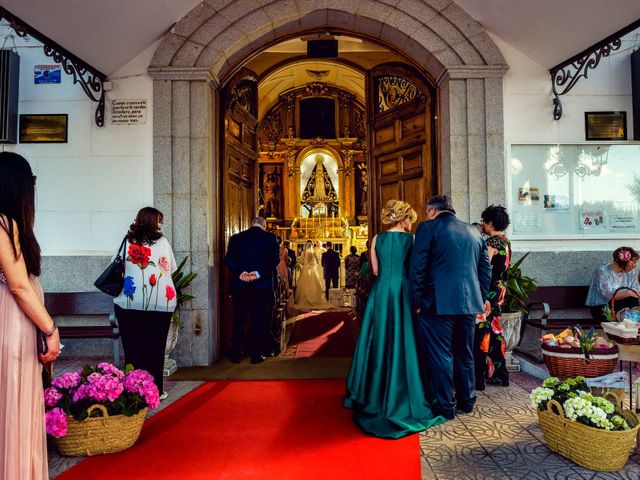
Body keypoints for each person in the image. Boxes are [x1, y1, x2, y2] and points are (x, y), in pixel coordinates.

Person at [344, 199, 444, 438]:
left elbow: (375, 271)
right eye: (410, 218)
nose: (412, 223)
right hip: (402, 291)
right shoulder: (411, 240)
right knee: (403, 338)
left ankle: (372, 391)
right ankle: (402, 391)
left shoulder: (377, 239)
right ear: (402, 219)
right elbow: (417, 268)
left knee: (377, 339)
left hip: (381, 292)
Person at [0, 152, 60, 479]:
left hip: (12, 319)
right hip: (10, 322)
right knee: (15, 403)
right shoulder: (3, 223)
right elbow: (19, 285)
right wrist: (51, 329)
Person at [410, 195, 491, 420]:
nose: (427, 215)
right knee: (465, 353)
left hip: (436, 304)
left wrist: (416, 302)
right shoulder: (474, 232)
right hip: (468, 304)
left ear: (432, 211)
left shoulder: (428, 228)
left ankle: (446, 405)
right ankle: (467, 400)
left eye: (427, 212)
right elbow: (485, 270)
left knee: (441, 355)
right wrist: (479, 297)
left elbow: (418, 267)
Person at [113, 207, 177, 396]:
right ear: (153, 222)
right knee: (155, 349)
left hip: (130, 303)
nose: (160, 224)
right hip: (160, 303)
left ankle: (133, 390)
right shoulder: (163, 242)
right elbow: (170, 268)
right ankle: (155, 391)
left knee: (132, 349)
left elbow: (115, 262)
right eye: (159, 221)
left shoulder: (128, 241)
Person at [224, 217, 280, 364]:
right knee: (259, 321)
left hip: (241, 286)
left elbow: (228, 259)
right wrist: (257, 273)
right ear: (264, 225)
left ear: (251, 224)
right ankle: (256, 355)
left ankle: (236, 354)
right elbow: (275, 260)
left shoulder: (236, 238)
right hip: (261, 287)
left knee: (239, 320)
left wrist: (240, 272)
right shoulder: (270, 238)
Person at [474, 205, 512, 390]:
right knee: (496, 332)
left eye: (484, 222)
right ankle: (499, 374)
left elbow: (484, 267)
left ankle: (481, 375)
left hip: (489, 291)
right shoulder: (506, 241)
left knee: (482, 331)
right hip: (500, 289)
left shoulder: (493, 243)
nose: (482, 226)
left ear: (490, 223)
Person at [586, 246, 640, 320]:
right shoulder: (602, 271)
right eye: (633, 263)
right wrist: (628, 292)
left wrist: (631, 293)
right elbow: (607, 295)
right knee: (630, 297)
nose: (635, 266)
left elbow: (636, 291)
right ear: (625, 261)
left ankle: (632, 316)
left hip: (623, 305)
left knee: (633, 299)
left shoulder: (631, 273)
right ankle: (628, 317)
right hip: (603, 307)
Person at [294, 240, 330, 309]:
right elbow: (316, 262)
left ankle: (304, 299)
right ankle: (315, 299)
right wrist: (312, 265)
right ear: (312, 245)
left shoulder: (303, 252)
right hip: (313, 270)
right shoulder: (313, 253)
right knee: (314, 284)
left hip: (305, 270)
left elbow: (301, 262)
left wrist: (305, 265)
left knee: (304, 285)